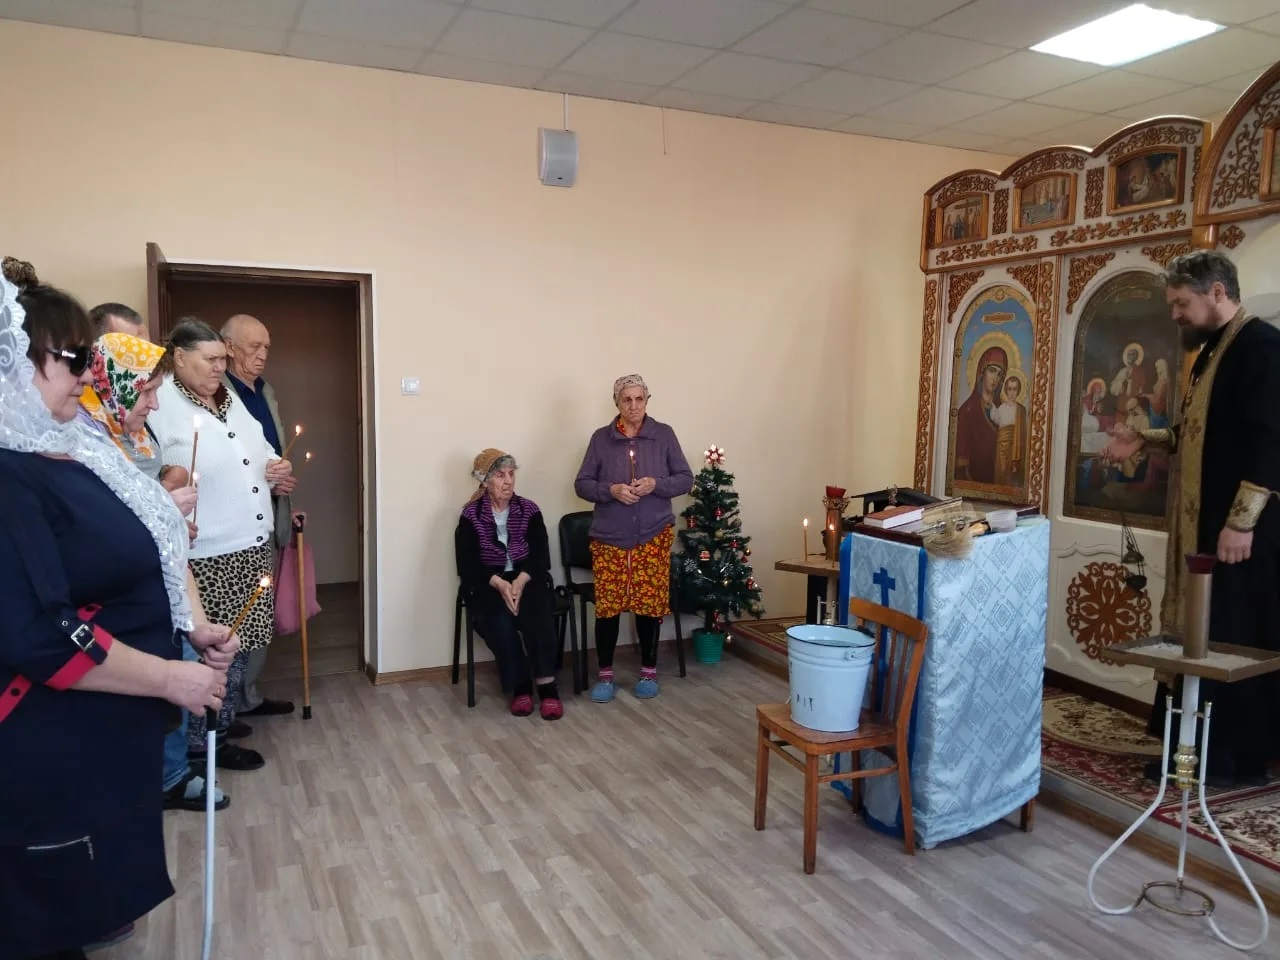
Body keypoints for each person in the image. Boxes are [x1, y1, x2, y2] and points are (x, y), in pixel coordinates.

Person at [0, 259, 236, 960]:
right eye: (72, 358)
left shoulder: (67, 448)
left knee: (82, 900)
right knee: (43, 920)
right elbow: (39, 632)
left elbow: (150, 546)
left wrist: (189, 627)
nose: (84, 374)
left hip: (101, 724)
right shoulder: (11, 472)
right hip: (50, 736)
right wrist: (170, 676)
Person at [1103, 251, 1280, 786]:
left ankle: (1233, 758)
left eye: (1182, 303)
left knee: (1230, 634)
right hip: (1203, 531)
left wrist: (1241, 523)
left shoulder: (1262, 348)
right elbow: (1196, 433)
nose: (1175, 314)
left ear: (1218, 292)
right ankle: (1192, 747)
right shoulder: (1211, 352)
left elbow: (1271, 443)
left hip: (1240, 535)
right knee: (1198, 633)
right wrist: (1143, 438)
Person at [79, 332, 228, 814]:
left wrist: (194, 621)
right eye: (146, 391)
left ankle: (168, 776)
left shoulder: (138, 435)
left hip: (162, 595)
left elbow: (164, 541)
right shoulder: (83, 446)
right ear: (115, 385)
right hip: (116, 616)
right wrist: (164, 508)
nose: (154, 404)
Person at [148, 317, 295, 772]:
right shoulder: (160, 402)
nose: (219, 367)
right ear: (179, 356)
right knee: (213, 655)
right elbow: (150, 470)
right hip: (207, 555)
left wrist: (276, 467)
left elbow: (259, 447)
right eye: (210, 359)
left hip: (249, 543)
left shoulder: (227, 397)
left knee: (239, 650)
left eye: (221, 359)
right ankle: (201, 747)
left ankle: (222, 726)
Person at [574, 374, 693, 702]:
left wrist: (656, 484)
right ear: (616, 403)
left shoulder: (663, 435)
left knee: (649, 605)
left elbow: (685, 478)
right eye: (627, 399)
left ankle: (648, 673)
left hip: (653, 534)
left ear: (647, 401)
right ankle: (606, 676)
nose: (634, 405)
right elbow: (582, 484)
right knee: (608, 608)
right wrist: (610, 490)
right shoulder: (601, 439)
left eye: (639, 399)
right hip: (609, 537)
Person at [221, 312, 294, 718]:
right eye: (254, 346)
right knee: (238, 615)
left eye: (267, 346)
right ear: (229, 347)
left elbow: (271, 451)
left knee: (259, 611)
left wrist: (281, 486)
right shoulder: (217, 392)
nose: (263, 354)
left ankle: (246, 696)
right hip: (234, 525)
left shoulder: (265, 391)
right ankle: (225, 707)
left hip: (269, 513)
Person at [454, 449, 562, 720]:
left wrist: (521, 581)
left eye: (511, 474)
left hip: (528, 577)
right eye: (501, 475)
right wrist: (500, 584)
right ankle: (521, 685)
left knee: (537, 614)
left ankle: (547, 686)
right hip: (488, 581)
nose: (508, 481)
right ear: (485, 480)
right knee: (497, 620)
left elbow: (541, 556)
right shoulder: (470, 515)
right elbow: (467, 564)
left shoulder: (529, 509)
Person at [954, 346, 1006, 485]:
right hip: (975, 480)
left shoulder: (1004, 409)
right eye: (992, 371)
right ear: (982, 372)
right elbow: (961, 462)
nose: (995, 378)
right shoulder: (967, 410)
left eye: (999, 374)